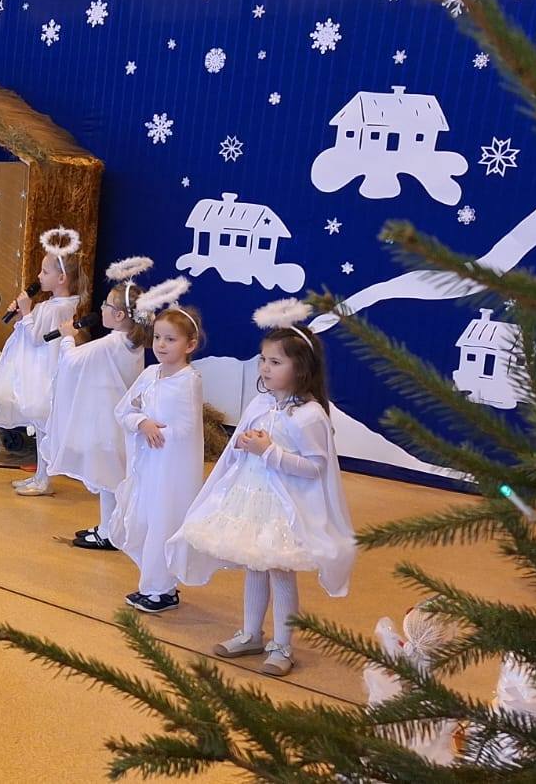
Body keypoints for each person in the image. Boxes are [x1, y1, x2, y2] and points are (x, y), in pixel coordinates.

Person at [167, 298, 356, 677]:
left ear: (301, 368)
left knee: (280, 572)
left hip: (284, 509)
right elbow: (243, 444)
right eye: (263, 360)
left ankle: (283, 646)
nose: (265, 368)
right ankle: (251, 633)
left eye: (275, 362)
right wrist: (244, 443)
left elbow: (315, 467)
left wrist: (269, 451)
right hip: (252, 502)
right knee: (253, 566)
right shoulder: (261, 403)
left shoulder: (309, 416)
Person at [106, 278, 206, 613]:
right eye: (158, 337)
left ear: (190, 345)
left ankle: (161, 589)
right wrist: (141, 423)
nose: (161, 345)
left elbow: (186, 429)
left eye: (171, 339)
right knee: (146, 520)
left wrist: (158, 430)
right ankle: (152, 584)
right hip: (147, 465)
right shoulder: (150, 374)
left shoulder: (188, 381)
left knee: (165, 521)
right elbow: (124, 409)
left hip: (170, 468)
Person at [27, 258, 150, 514]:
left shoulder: (111, 343)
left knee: (109, 480)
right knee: (111, 478)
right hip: (117, 420)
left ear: (119, 315)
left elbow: (72, 362)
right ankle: (106, 527)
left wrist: (68, 337)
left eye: (106, 304)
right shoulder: (132, 343)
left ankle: (109, 529)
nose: (101, 308)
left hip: (107, 422)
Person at [0, 227, 85, 483]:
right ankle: (40, 475)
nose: (38, 276)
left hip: (43, 373)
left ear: (61, 278)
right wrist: (24, 315)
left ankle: (44, 478)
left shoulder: (59, 308)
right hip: (35, 368)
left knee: (44, 426)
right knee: (39, 425)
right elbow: (29, 331)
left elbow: (38, 338)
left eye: (45, 272)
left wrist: (26, 312)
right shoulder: (51, 305)